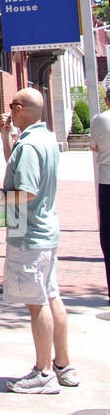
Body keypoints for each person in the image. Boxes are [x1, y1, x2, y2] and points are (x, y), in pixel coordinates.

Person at [0, 86, 79, 393]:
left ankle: (43, 373)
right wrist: (6, 137)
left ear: (19, 109)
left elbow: (26, 190)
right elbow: (16, 166)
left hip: (28, 234)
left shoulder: (29, 147)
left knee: (37, 302)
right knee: (52, 295)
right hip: (45, 231)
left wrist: (0, 198)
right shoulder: (43, 139)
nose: (9, 110)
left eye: (12, 105)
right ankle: (63, 365)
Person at [89, 83, 110, 303]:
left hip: (107, 182)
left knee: (109, 238)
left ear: (106, 100)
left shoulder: (100, 120)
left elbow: (93, 146)